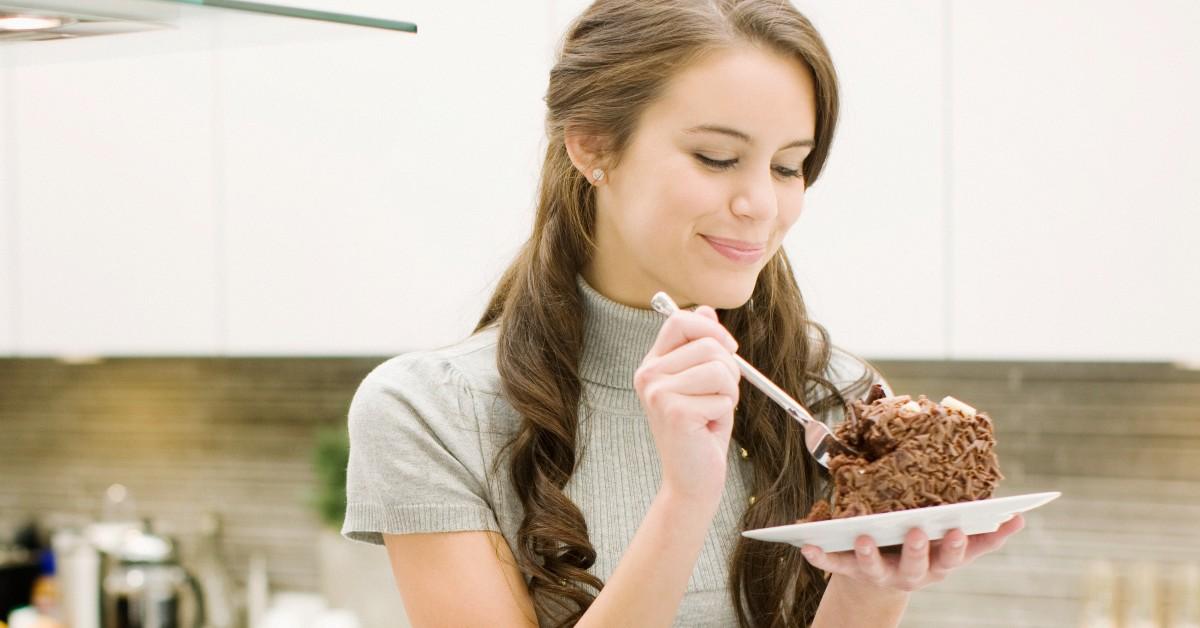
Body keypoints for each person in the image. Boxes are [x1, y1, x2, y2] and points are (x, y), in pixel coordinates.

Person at [341, 1, 1025, 626]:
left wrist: (871, 588)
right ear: (591, 146)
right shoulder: (431, 412)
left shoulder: (835, 401)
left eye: (789, 167)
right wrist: (685, 500)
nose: (760, 203)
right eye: (717, 157)